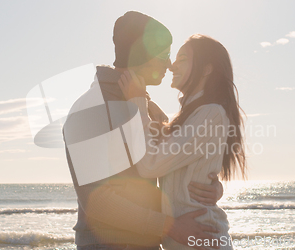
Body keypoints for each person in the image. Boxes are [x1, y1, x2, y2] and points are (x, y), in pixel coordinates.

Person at [63, 12, 225, 250]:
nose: (170, 65)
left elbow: (170, 164)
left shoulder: (151, 110)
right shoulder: (89, 107)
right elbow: (96, 201)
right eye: (165, 54)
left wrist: (210, 186)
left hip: (150, 242)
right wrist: (170, 226)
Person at [119, 34, 248, 249]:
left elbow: (150, 164)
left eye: (182, 60)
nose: (172, 67)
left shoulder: (211, 114)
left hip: (202, 240)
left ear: (206, 69)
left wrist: (137, 104)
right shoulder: (197, 114)